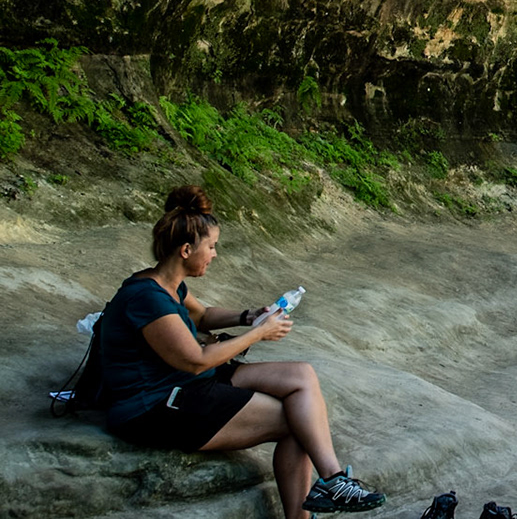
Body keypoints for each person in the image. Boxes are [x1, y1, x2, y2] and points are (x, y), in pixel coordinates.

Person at [96, 186, 385, 517]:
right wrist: (258, 333)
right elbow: (194, 360)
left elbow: (202, 315)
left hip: (187, 385)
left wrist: (248, 315)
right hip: (156, 405)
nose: (216, 254)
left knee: (301, 375)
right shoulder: (146, 298)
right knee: (297, 423)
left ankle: (332, 482)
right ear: (187, 250)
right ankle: (321, 495)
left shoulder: (167, 285)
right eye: (212, 246)